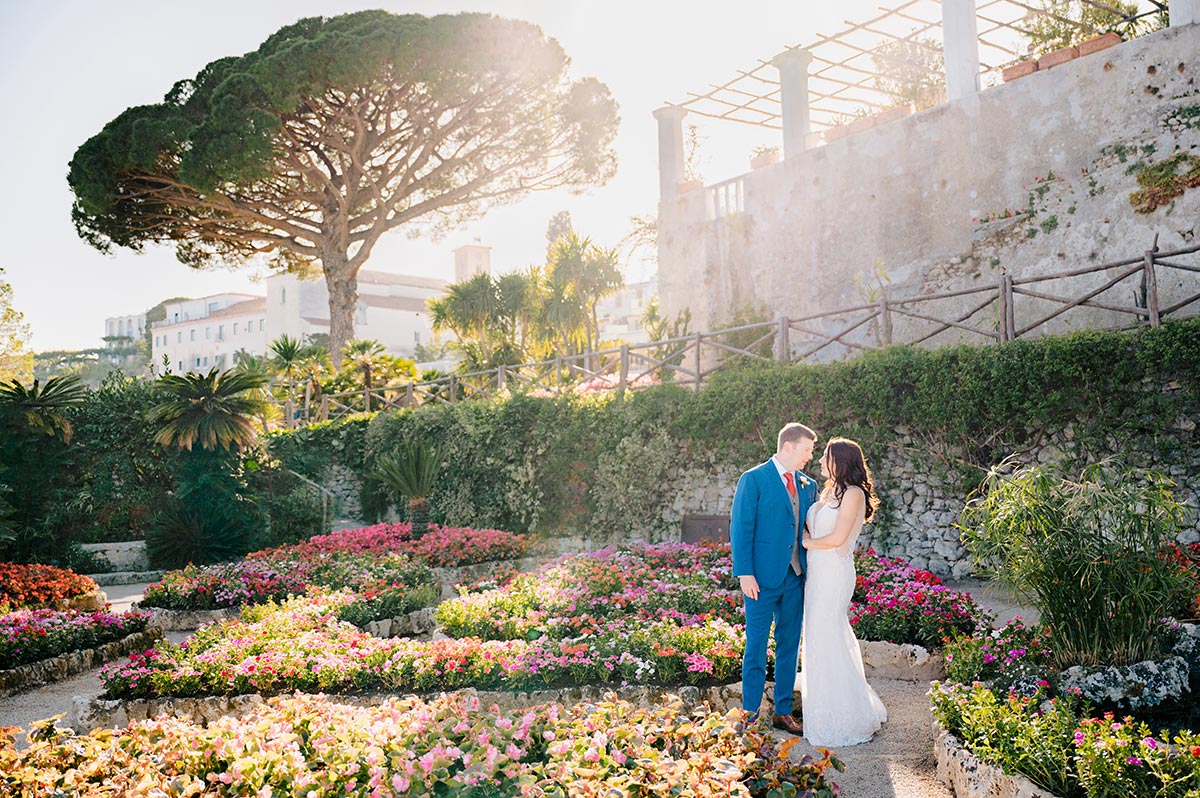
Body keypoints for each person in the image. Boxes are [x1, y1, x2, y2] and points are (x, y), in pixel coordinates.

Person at [800, 437, 888, 747]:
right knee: (816, 638)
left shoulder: (852, 494)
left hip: (835, 574)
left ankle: (846, 716)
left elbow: (837, 538)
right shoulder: (827, 492)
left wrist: (804, 543)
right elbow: (814, 528)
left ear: (841, 461)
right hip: (816, 574)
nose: (821, 462)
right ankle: (823, 710)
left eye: (826, 457)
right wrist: (805, 535)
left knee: (829, 636)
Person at [730, 422, 817, 735]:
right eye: (807, 449)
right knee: (755, 646)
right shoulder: (753, 479)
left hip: (795, 577)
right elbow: (741, 528)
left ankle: (783, 711)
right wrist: (744, 573)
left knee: (789, 645)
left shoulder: (808, 485)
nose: (810, 456)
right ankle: (749, 713)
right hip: (760, 580)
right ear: (789, 446)